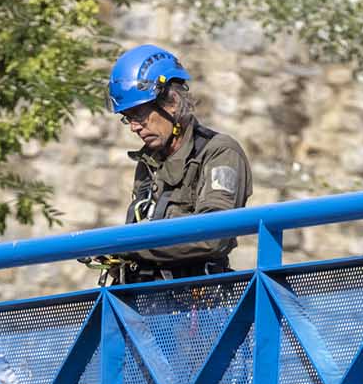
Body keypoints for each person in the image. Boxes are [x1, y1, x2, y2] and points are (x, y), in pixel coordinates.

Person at [101, 44, 252, 285]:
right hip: (142, 296)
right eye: (128, 118)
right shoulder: (149, 163)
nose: (134, 127)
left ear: (171, 102)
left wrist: (130, 247)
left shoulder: (219, 152)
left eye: (139, 114)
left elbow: (213, 236)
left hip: (195, 298)